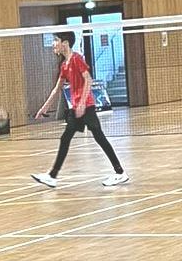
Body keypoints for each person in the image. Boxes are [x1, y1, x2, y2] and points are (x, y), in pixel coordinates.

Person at [29, 31, 129, 189]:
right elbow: (57, 89)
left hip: (86, 107)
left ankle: (120, 172)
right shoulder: (64, 65)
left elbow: (88, 80)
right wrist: (43, 108)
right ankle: (52, 176)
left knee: (99, 137)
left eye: (56, 40)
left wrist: (82, 103)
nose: (53, 44)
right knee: (66, 138)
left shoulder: (77, 59)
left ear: (65, 43)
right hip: (76, 109)